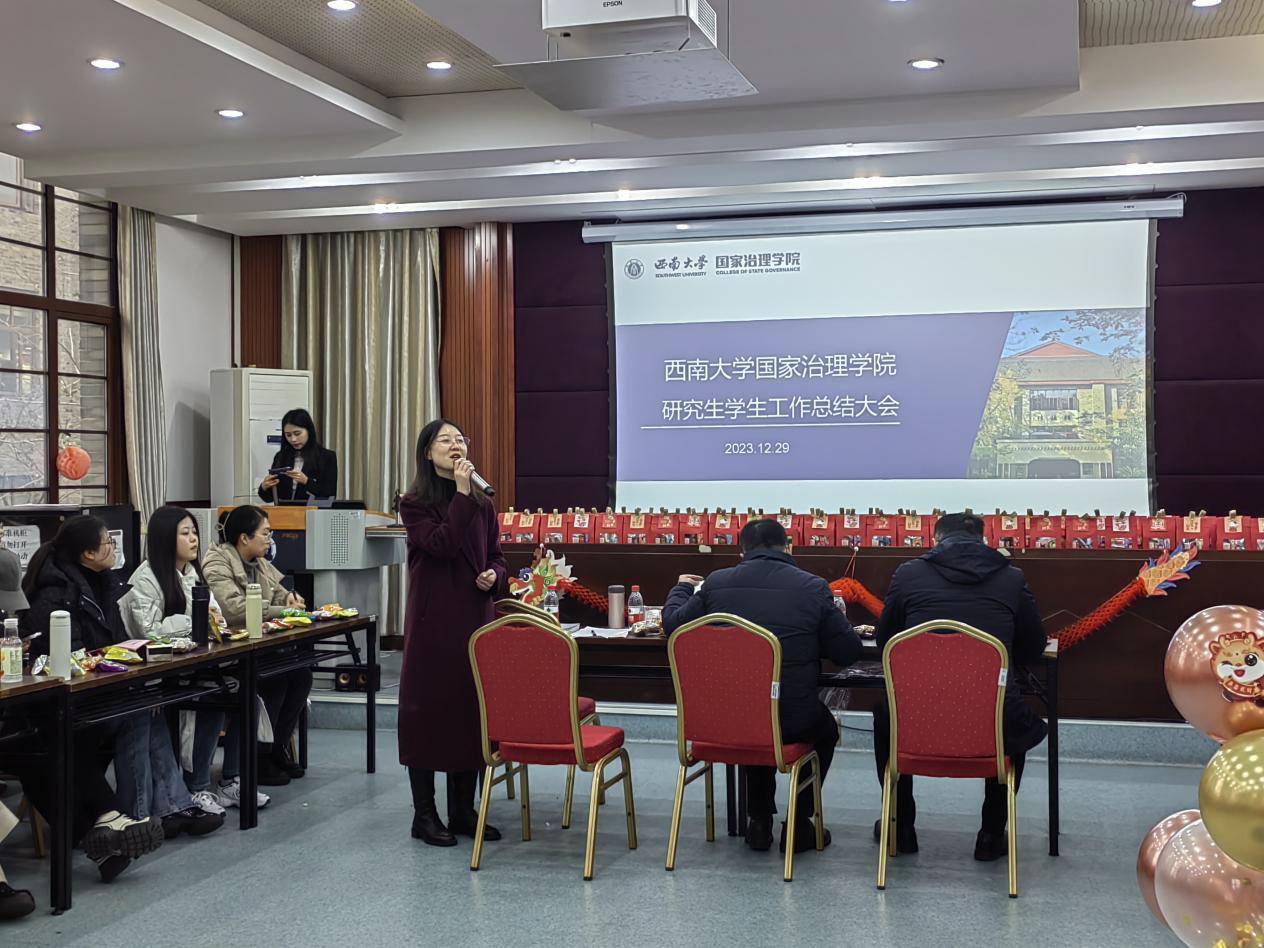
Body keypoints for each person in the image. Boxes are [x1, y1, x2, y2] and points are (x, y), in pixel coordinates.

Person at [663, 518, 863, 854]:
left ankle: (758, 821)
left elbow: (674, 626)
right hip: (790, 717)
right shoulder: (812, 587)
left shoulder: (716, 583)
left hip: (725, 717)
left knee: (752, 714)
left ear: (741, 551)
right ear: (788, 547)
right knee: (821, 729)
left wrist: (681, 588)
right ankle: (799, 823)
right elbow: (848, 652)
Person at [871, 512, 1048, 862]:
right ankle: (991, 834)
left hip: (917, 717)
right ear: (983, 540)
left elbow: (886, 641)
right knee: (1013, 718)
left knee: (884, 713)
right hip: (989, 717)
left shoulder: (908, 574)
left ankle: (900, 826)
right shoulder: (1011, 577)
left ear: (936, 539)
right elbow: (1034, 645)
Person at [9, 516, 166, 881]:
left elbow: (117, 641)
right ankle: (111, 822)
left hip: (78, 698)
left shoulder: (106, 584)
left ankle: (110, 829)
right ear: (87, 554)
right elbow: (65, 657)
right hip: (40, 708)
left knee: (128, 714)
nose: (114, 547)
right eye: (107, 542)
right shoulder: (54, 595)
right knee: (55, 744)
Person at [398, 419, 507, 847]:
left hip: (474, 620)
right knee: (427, 715)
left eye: (460, 439)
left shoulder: (482, 502)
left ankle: (463, 810)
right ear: (428, 453)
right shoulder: (413, 503)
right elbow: (442, 544)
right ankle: (424, 815)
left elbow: (497, 556)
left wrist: (494, 576)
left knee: (470, 713)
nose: (455, 445)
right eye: (445, 440)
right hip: (433, 624)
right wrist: (462, 493)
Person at [120, 506, 263, 814]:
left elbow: (214, 616)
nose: (194, 539)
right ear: (164, 538)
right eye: (185, 533)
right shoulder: (144, 579)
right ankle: (195, 787)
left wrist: (211, 622)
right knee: (211, 697)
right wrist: (196, 622)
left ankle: (231, 779)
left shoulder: (193, 574)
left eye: (195, 532)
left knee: (243, 694)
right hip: (154, 673)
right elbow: (148, 632)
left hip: (193, 665)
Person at [203, 505, 311, 787]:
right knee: (273, 680)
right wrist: (283, 611)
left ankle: (276, 748)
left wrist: (290, 598)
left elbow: (279, 591)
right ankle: (258, 756)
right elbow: (233, 609)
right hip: (227, 652)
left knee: (301, 675)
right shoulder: (217, 562)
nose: (270, 539)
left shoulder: (258, 561)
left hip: (259, 646)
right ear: (244, 538)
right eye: (265, 533)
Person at [258, 408, 338, 503]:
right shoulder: (280, 456)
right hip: (284, 510)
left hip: (312, 511)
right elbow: (269, 498)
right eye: (288, 435)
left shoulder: (327, 457)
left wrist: (306, 481)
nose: (293, 439)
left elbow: (330, 494)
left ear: (309, 431)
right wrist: (264, 486)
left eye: (297, 433)